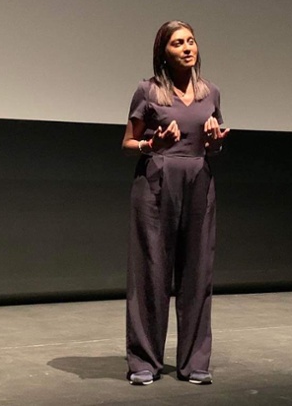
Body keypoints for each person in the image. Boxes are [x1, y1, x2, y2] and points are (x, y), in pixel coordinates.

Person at [122, 20, 229, 386]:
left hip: (199, 181)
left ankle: (194, 363)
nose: (187, 48)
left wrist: (215, 142)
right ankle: (144, 362)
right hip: (155, 182)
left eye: (191, 41)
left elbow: (213, 142)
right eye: (178, 43)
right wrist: (153, 145)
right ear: (163, 53)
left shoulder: (210, 92)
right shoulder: (147, 91)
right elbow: (128, 143)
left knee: (197, 272)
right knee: (150, 272)